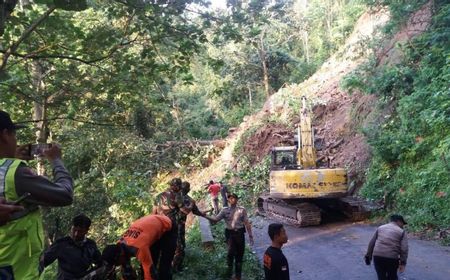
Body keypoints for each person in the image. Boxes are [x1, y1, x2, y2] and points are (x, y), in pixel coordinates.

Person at [0, 110, 74, 279]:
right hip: (15, 269)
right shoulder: (15, 172)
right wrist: (56, 160)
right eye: (14, 135)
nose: (16, 141)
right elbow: (65, 194)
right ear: (5, 135)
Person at [102, 214, 173, 280]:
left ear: (120, 255)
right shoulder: (119, 246)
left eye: (117, 263)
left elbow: (149, 271)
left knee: (164, 265)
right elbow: (126, 269)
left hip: (166, 225)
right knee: (149, 262)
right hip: (150, 228)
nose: (118, 265)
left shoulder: (139, 248)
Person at [206, 193, 254, 280]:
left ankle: (238, 276)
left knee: (240, 255)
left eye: (234, 198)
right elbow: (215, 219)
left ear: (237, 199)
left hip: (239, 234)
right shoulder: (224, 210)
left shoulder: (242, 210)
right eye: (230, 198)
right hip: (230, 235)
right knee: (230, 254)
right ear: (228, 200)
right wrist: (204, 215)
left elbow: (247, 223)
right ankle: (229, 273)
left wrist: (250, 236)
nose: (232, 200)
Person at [39, 214, 102, 279]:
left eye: (80, 231)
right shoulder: (61, 244)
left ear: (86, 231)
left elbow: (100, 263)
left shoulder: (90, 245)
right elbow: (43, 262)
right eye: (74, 230)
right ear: (71, 227)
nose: (76, 234)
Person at [151, 178, 184, 279]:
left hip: (158, 226)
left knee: (155, 255)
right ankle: (168, 273)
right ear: (177, 186)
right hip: (170, 227)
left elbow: (153, 213)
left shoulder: (158, 196)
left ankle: (153, 275)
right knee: (168, 256)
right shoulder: (177, 196)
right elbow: (182, 211)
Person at [172, 181, 207, 272]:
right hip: (176, 226)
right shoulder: (181, 198)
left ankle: (177, 267)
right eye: (186, 188)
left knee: (180, 246)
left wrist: (204, 214)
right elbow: (193, 211)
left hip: (176, 225)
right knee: (179, 247)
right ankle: (174, 269)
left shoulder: (175, 196)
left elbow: (196, 211)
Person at [365, 214, 409, 280]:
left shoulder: (380, 228)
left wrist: (368, 256)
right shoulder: (401, 232)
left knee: (381, 277)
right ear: (398, 221)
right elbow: (404, 249)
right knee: (392, 277)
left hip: (377, 257)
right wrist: (403, 263)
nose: (403, 226)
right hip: (392, 258)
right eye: (402, 223)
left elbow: (372, 243)